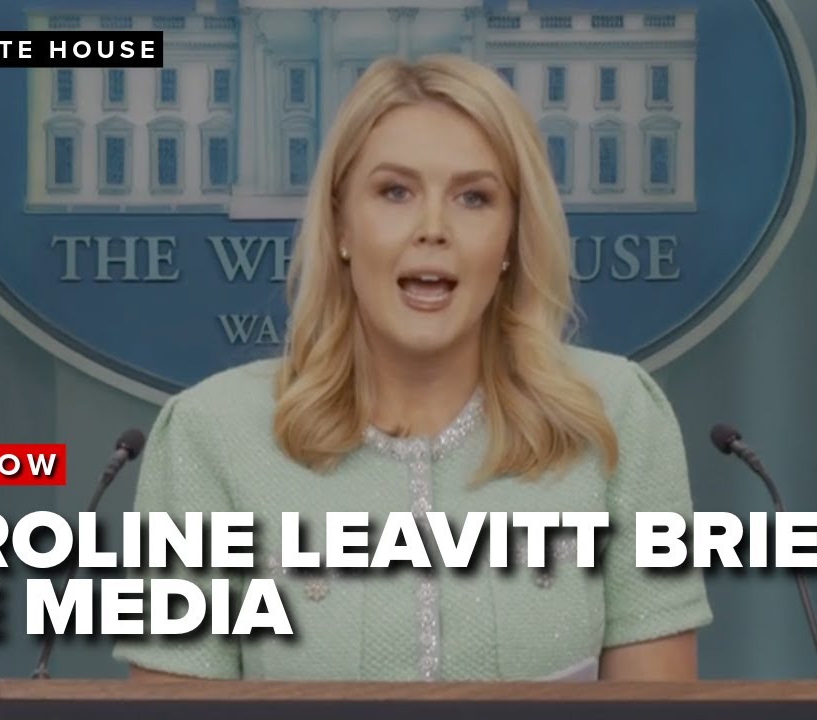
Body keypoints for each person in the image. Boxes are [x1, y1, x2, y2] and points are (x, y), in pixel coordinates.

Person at [112, 53, 712, 682]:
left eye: (474, 197)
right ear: (341, 224)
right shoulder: (210, 435)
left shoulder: (615, 416)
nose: (433, 229)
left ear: (511, 235)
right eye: (395, 192)